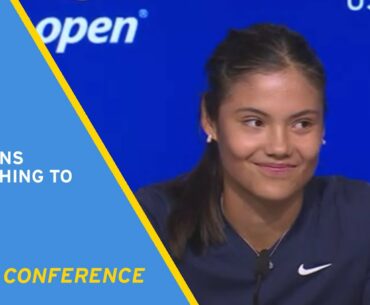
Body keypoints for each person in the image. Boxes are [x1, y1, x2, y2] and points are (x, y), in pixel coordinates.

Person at [136, 24, 370, 305]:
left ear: (322, 128)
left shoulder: (360, 218)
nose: (280, 147)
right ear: (210, 120)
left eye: (302, 123)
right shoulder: (147, 223)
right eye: (255, 122)